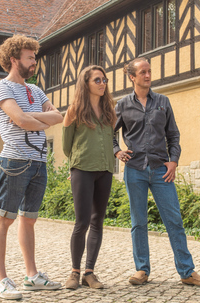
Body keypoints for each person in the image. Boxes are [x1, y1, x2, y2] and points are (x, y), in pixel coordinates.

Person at [114, 57, 200, 288]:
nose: (148, 76)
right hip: (135, 170)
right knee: (138, 221)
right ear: (132, 77)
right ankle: (142, 269)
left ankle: (187, 271)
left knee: (174, 220)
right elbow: (109, 133)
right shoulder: (122, 105)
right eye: (143, 72)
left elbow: (173, 136)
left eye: (149, 71)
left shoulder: (163, 102)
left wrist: (174, 161)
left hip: (161, 170)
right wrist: (117, 151)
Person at [0, 34, 63, 299]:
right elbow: (20, 120)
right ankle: (1, 280)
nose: (34, 62)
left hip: (39, 162)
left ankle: (31, 276)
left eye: (34, 57)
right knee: (4, 219)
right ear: (14, 59)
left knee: (29, 220)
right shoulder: (2, 88)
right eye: (30, 57)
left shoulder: (36, 90)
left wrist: (29, 118)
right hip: (15, 162)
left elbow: (58, 117)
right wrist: (33, 119)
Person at [62, 65, 116, 290]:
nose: (102, 83)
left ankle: (89, 273)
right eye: (97, 80)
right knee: (81, 222)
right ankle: (74, 272)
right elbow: (66, 146)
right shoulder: (74, 110)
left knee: (97, 222)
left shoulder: (110, 110)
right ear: (86, 84)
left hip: (105, 170)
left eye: (104, 80)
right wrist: (75, 166)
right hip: (82, 169)